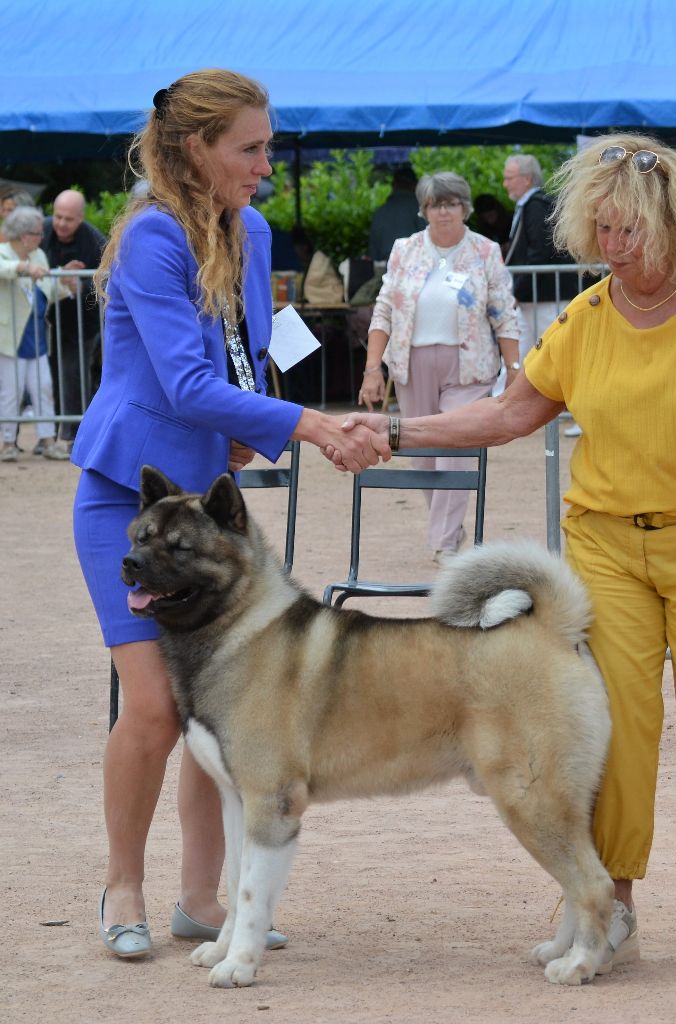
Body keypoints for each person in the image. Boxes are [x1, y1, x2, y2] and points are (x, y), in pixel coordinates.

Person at [344, 133, 676, 974]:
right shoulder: (587, 319)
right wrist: (398, 429)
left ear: (671, 225)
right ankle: (607, 900)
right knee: (610, 731)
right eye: (603, 231)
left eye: (628, 231)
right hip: (608, 551)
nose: (613, 247)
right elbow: (510, 414)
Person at [71, 68, 389, 960]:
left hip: (211, 505)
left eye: (266, 147)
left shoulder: (248, 227)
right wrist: (316, 428)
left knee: (218, 707)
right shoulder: (148, 240)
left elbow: (241, 362)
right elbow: (182, 383)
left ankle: (201, 901)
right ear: (195, 148)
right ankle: (122, 885)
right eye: (248, 149)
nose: (264, 165)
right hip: (124, 502)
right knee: (156, 708)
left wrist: (254, 432)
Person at [358, 171, 520, 563]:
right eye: (435, 204)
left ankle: (444, 542)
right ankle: (448, 525)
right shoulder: (405, 249)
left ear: (465, 208)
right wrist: (372, 367)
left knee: (454, 448)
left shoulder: (485, 251)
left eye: (451, 204)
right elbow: (383, 310)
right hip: (412, 364)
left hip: (469, 367)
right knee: (424, 453)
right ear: (424, 209)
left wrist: (515, 367)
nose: (443, 211)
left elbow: (503, 312)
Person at [502, 154, 580, 427]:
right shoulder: (531, 205)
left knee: (561, 352)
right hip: (536, 294)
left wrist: (517, 289)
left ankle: (581, 413)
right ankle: (502, 405)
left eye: (509, 178)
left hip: (546, 295)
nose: (505, 184)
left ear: (526, 179)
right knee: (521, 349)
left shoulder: (536, 206)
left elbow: (539, 253)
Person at [0, 206, 70, 461]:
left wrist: (65, 281)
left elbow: (47, 291)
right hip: (10, 339)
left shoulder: (39, 255)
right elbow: (3, 268)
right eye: (37, 233)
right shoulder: (3, 252)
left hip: (37, 337)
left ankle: (48, 440)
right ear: (22, 235)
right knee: (11, 392)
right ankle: (7, 443)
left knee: (44, 388)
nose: (42, 237)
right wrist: (22, 268)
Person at [41, 190, 106, 448]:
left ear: (81, 218)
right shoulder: (42, 231)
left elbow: (106, 280)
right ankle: (47, 434)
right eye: (58, 217)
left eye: (68, 219)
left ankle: (74, 435)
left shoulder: (95, 241)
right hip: (46, 320)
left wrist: (81, 286)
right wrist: (59, 276)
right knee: (46, 379)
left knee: (75, 375)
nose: (61, 224)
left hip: (83, 323)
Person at [367, 165, 421, 265]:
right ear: (415, 185)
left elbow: (373, 254)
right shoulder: (420, 209)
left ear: (393, 185)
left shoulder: (380, 212)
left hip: (386, 270)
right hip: (416, 269)